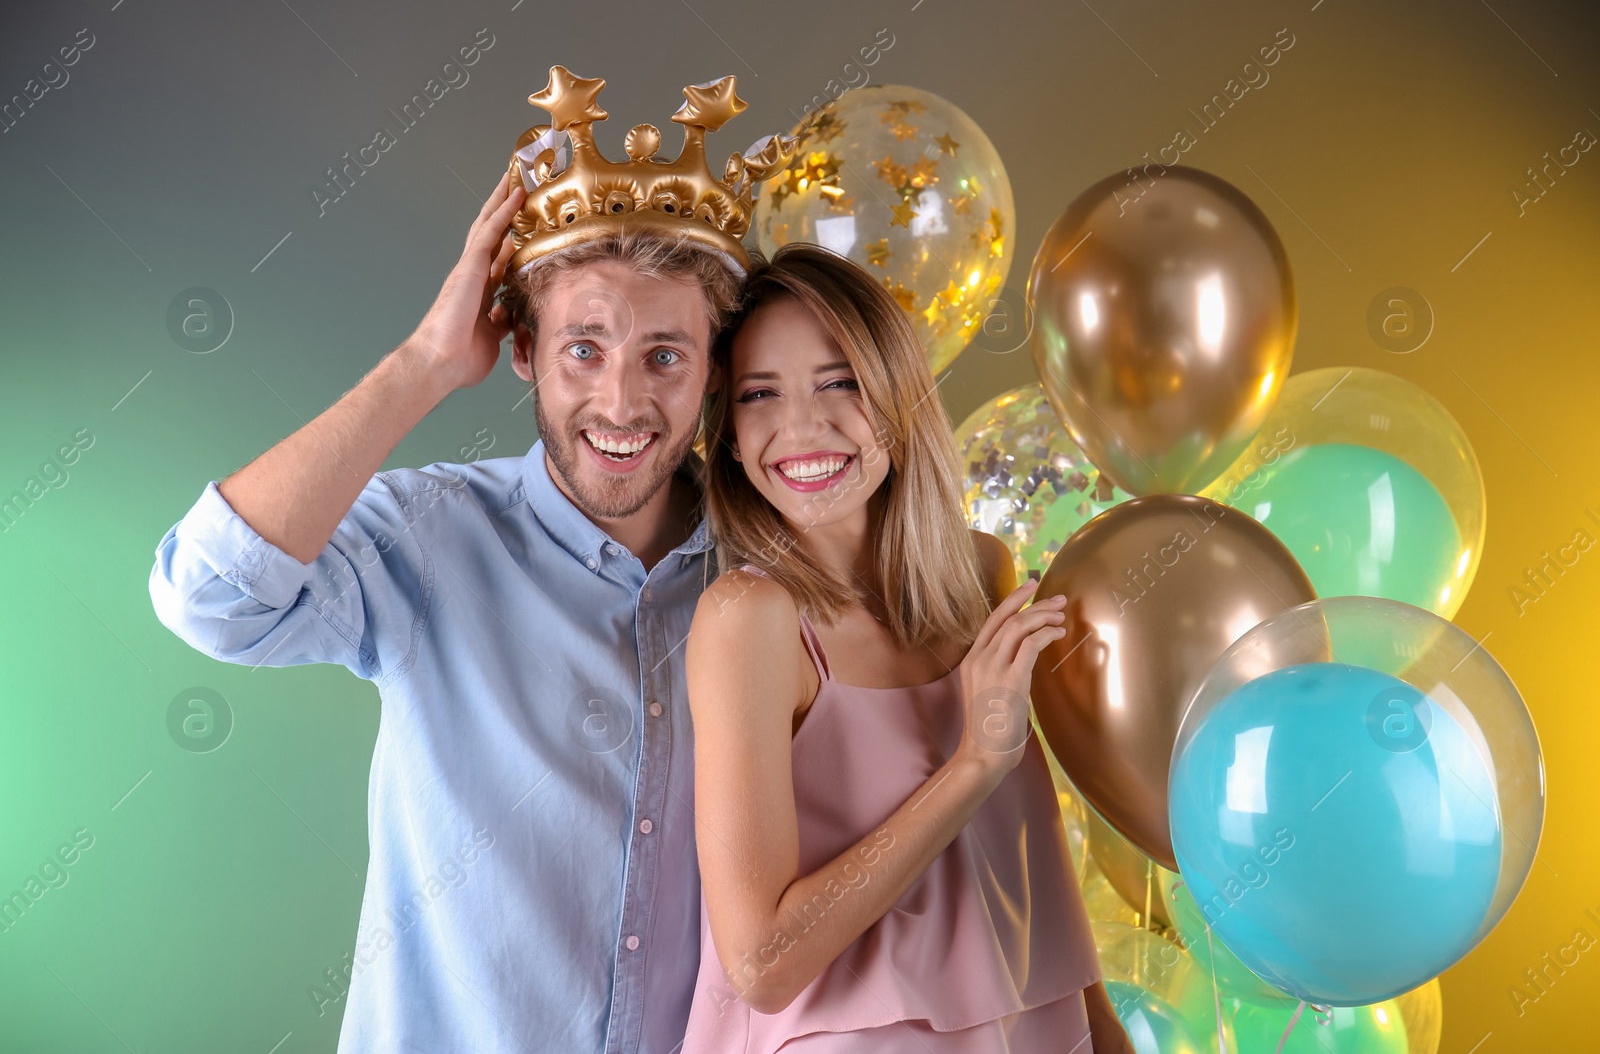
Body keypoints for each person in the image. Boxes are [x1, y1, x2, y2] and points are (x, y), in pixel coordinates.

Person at [146, 146, 757, 1046]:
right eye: (582, 349)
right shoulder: (431, 528)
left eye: (663, 355)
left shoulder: (765, 575)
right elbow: (207, 598)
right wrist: (426, 360)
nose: (621, 402)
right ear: (522, 350)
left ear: (712, 369)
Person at [680, 244, 1136, 1052]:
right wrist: (971, 764)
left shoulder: (981, 573)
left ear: (896, 393)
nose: (801, 428)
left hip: (1033, 1024)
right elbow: (761, 963)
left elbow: (1025, 845)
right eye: (759, 393)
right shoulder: (748, 618)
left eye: (840, 382)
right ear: (730, 430)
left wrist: (1101, 1026)